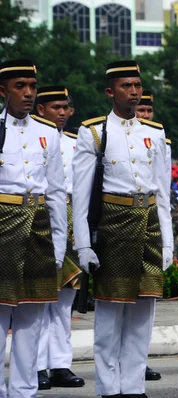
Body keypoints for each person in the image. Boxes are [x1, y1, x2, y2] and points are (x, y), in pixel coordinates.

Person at [72, 60, 173, 398]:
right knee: (110, 313)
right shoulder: (94, 132)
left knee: (143, 312)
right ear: (110, 91)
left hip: (149, 224)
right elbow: (83, 194)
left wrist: (169, 245)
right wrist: (84, 245)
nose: (133, 91)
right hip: (113, 224)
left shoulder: (155, 133)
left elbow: (161, 192)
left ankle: (133, 387)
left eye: (137, 86)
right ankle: (108, 388)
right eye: (126, 86)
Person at [0, 59, 67, 397]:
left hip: (39, 227)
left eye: (32, 86)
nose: (28, 93)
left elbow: (55, 192)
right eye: (19, 86)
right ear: (3, 91)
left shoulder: (46, 132)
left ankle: (24, 392)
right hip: (2, 225)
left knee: (32, 319)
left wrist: (58, 243)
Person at [34, 85, 85, 390]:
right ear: (41, 110)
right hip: (41, 216)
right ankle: (38, 365)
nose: (63, 113)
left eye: (66, 108)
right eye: (56, 108)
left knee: (65, 298)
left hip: (71, 216)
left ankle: (60, 364)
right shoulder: (32, 138)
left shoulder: (77, 142)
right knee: (39, 298)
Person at [134, 89, 167, 382]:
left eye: (148, 111)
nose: (144, 116)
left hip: (151, 221)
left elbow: (164, 195)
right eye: (141, 110)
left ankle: (138, 360)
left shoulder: (159, 140)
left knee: (148, 299)